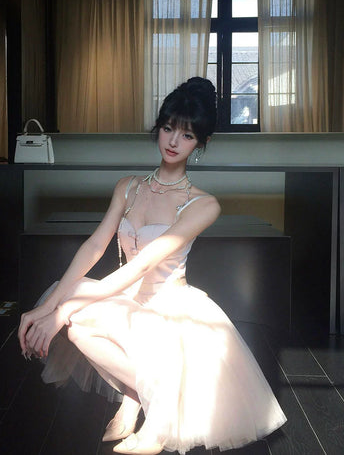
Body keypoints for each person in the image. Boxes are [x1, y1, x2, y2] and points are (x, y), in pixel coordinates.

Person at [18, 77, 286, 455]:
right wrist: (47, 307)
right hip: (127, 296)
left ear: (201, 143)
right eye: (168, 128)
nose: (174, 141)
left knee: (70, 311)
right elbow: (95, 246)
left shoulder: (203, 204)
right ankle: (138, 392)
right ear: (158, 128)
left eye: (187, 135)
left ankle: (159, 409)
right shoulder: (128, 187)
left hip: (169, 307)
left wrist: (61, 310)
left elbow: (143, 264)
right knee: (75, 318)